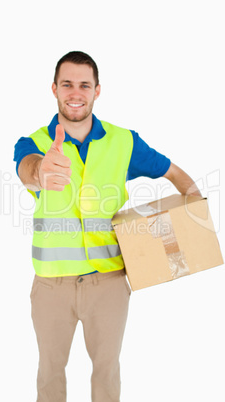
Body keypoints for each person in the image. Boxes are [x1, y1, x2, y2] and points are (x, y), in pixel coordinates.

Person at [13, 51, 201, 402]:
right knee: (49, 376)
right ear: (54, 88)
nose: (75, 92)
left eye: (84, 85)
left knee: (107, 375)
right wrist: (41, 171)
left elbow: (173, 172)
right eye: (67, 84)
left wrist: (197, 218)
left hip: (110, 284)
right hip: (52, 286)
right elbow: (28, 169)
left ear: (97, 91)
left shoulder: (124, 142)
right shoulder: (34, 143)